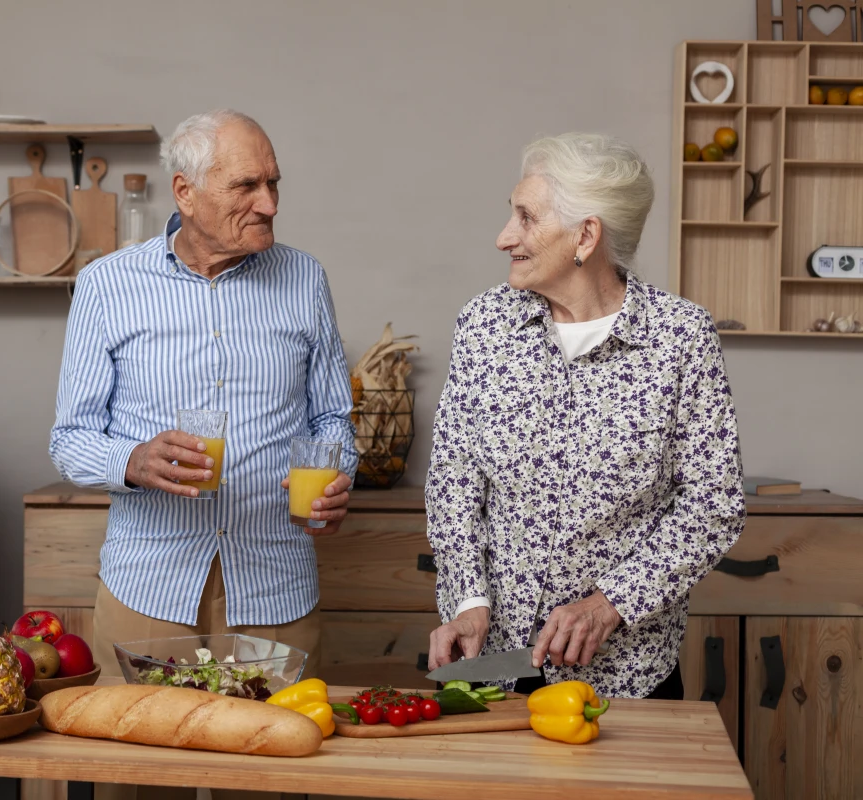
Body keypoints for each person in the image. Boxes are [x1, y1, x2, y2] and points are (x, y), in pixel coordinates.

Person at [49, 109, 357, 798]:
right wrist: (134, 461)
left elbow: (332, 417)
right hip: (148, 587)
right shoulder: (107, 285)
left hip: (274, 585)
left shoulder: (304, 279)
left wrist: (339, 474)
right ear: (185, 192)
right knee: (141, 785)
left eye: (274, 184)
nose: (269, 204)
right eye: (247, 186)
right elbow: (69, 439)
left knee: (269, 786)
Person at [424, 132, 746, 700]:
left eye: (526, 218)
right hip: (494, 665)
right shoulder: (484, 325)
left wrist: (609, 604)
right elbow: (455, 478)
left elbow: (713, 506)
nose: (504, 237)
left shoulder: (680, 338)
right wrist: (469, 600)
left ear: (586, 235)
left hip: (625, 678)